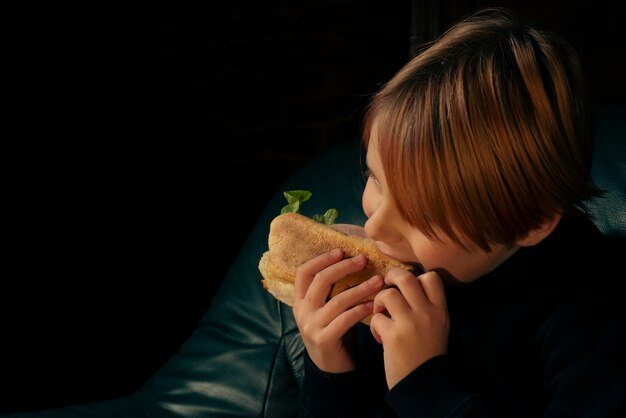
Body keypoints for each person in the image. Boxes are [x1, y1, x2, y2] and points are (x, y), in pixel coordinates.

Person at [292, 7, 625, 417]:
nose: (376, 225)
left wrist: (423, 386)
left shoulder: (595, 328)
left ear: (531, 221)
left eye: (421, 213)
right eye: (376, 179)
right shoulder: (394, 283)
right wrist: (331, 368)